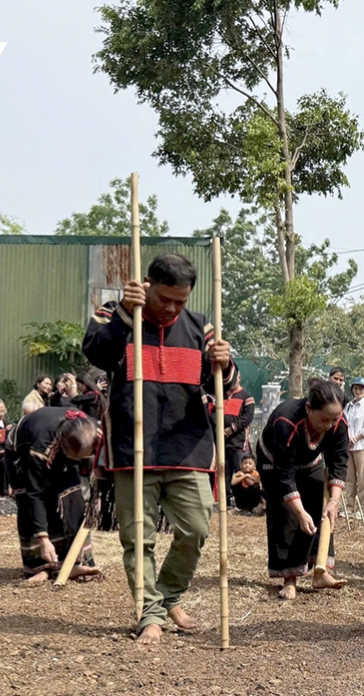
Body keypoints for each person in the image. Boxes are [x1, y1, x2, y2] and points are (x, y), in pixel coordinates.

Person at [83, 252, 235, 646]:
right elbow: (96, 354)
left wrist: (224, 362)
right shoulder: (114, 313)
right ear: (147, 285)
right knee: (138, 538)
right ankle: (149, 614)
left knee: (196, 529)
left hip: (189, 447)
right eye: (164, 299)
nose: (171, 308)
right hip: (133, 447)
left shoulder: (202, 326)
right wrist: (126, 314)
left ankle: (168, 596)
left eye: (180, 302)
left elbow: (225, 384)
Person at [258, 379, 350, 598]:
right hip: (275, 463)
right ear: (309, 409)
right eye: (324, 419)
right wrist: (299, 512)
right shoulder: (286, 421)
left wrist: (333, 502)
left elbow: (338, 462)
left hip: (310, 462)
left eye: (334, 419)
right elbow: (285, 474)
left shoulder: (339, 423)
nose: (329, 425)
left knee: (320, 510)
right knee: (287, 514)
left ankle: (320, 571)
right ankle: (289, 578)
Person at [11, 406, 103, 581]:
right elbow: (35, 494)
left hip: (63, 446)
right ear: (63, 446)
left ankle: (75, 562)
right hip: (22, 452)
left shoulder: (94, 430)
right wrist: (43, 539)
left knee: (73, 496)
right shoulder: (41, 446)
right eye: (77, 457)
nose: (81, 461)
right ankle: (41, 566)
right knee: (33, 499)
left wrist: (97, 494)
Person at [220, 383, 256, 509]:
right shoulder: (221, 394)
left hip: (239, 443)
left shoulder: (246, 396)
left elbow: (248, 417)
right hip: (222, 442)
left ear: (238, 378)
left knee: (243, 471)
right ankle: (228, 501)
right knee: (224, 473)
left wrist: (231, 429)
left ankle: (248, 503)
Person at [343, 376, 364, 517]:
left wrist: (355, 438)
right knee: (350, 478)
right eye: (356, 388)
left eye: (361, 388)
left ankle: (361, 508)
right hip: (349, 446)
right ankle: (350, 507)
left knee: (363, 479)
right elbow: (345, 423)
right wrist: (348, 437)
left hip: (362, 446)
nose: (358, 391)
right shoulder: (348, 406)